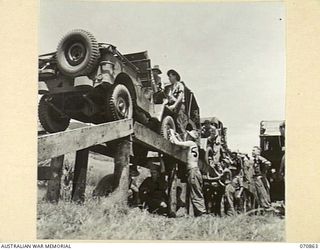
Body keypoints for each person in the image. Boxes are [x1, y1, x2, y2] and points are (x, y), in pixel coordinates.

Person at [169, 129, 206, 217]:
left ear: (190, 137)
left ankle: (202, 213)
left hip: (193, 170)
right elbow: (182, 145)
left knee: (196, 192)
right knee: (195, 191)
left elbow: (177, 143)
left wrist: (171, 133)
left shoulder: (191, 143)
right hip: (193, 170)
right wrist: (176, 135)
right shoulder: (192, 145)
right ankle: (199, 213)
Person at [165, 69, 188, 134]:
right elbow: (168, 98)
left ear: (174, 76)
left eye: (170, 76)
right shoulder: (170, 87)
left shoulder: (179, 85)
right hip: (172, 107)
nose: (169, 78)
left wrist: (174, 105)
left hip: (179, 106)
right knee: (172, 126)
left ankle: (183, 142)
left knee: (179, 125)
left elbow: (180, 96)